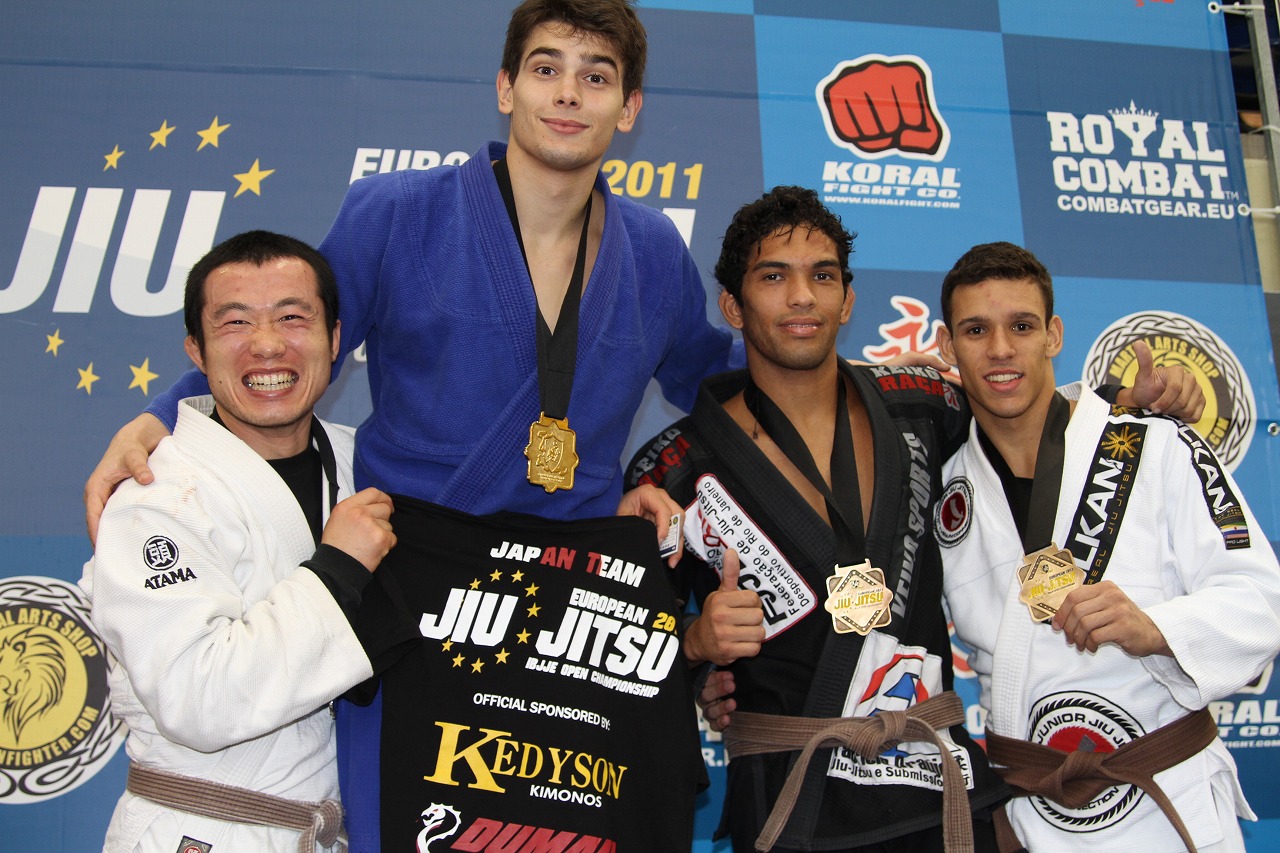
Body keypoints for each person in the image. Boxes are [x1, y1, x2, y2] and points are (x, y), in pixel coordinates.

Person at [82, 2, 733, 848]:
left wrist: (835, 373)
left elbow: (715, 380)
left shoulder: (653, 250)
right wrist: (166, 413)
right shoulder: (396, 212)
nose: (568, 93)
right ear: (506, 88)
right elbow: (292, 339)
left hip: (570, 603)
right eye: (546, 68)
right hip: (418, 590)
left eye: (596, 76)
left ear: (630, 106)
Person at [631, 189, 1205, 853]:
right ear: (733, 305)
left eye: (822, 276)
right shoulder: (672, 472)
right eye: (773, 277)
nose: (802, 297)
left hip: (938, 788)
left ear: (848, 300)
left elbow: (1026, 425)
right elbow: (619, 648)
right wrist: (697, 645)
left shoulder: (919, 403)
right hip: (795, 806)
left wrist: (1115, 403)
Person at [932, 242, 1280, 852]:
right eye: (976, 330)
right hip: (1034, 813)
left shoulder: (1156, 443)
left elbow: (1262, 601)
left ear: (1054, 335)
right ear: (946, 346)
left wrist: (1156, 627)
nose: (1001, 349)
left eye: (1022, 326)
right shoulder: (942, 488)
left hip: (1162, 801)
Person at [80, 230, 397, 852]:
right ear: (195, 352)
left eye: (293, 317)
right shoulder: (153, 497)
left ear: (336, 339)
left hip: (327, 832)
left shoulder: (366, 466)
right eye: (235, 323)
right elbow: (198, 701)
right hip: (200, 832)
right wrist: (337, 570)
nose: (268, 344)